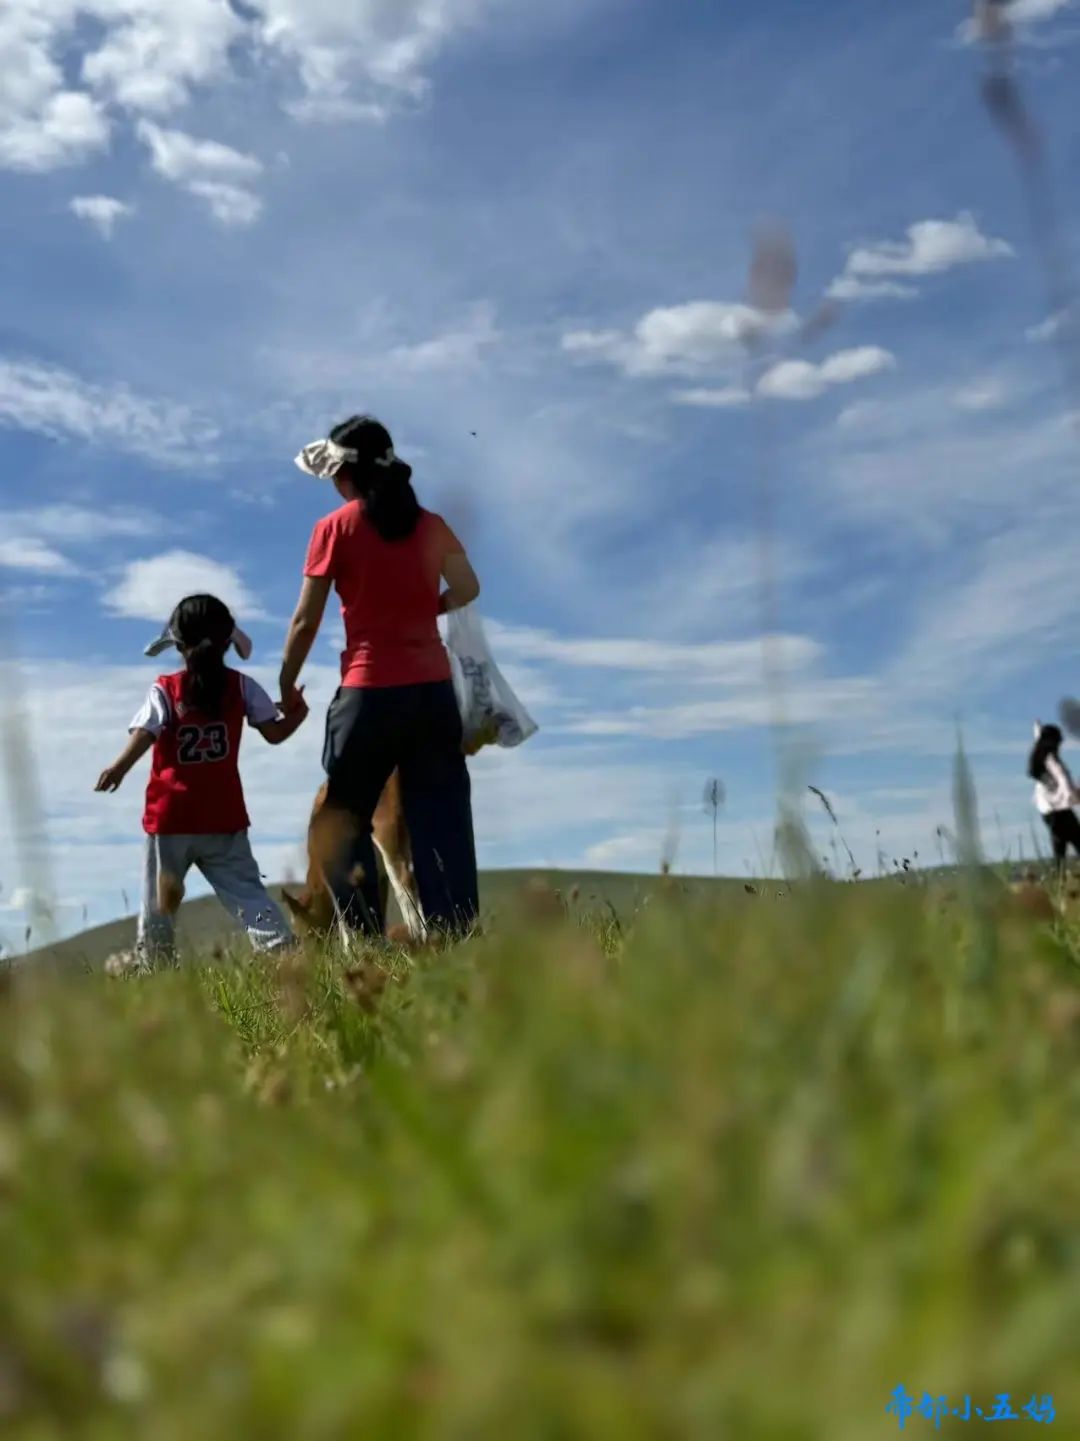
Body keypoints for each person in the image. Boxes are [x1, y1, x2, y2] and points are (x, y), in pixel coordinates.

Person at [281, 413, 481, 938]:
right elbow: (469, 588)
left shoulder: (335, 529)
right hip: (433, 694)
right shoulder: (432, 525)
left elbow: (305, 620)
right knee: (443, 819)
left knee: (340, 819)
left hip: (369, 695)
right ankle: (454, 937)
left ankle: (368, 941)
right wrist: (424, 608)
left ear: (346, 476)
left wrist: (285, 683)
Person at [95, 594, 309, 966]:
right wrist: (298, 713)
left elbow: (145, 732)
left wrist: (119, 767)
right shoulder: (242, 687)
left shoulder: (166, 688)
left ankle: (155, 969)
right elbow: (274, 734)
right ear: (229, 642)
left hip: (170, 819)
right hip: (223, 818)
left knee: (159, 907)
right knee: (249, 896)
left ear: (177, 644)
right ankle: (282, 953)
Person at [1029, 720, 1080, 872]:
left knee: (1060, 849)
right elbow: (1065, 790)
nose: (1060, 744)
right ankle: (1060, 881)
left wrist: (1038, 731)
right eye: (1058, 741)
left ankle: (1058, 883)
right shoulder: (1051, 763)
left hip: (1050, 812)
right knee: (1074, 841)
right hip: (1057, 811)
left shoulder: (1041, 759)